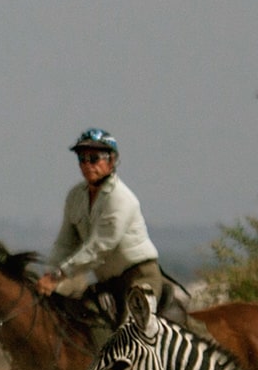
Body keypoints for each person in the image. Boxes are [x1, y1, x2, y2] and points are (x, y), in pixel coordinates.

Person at [35, 128, 164, 317]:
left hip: (139, 278)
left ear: (111, 160)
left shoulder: (120, 198)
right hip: (108, 283)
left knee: (129, 337)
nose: (87, 165)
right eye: (82, 159)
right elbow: (65, 243)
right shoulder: (75, 196)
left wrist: (57, 276)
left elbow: (99, 247)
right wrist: (48, 274)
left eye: (94, 158)